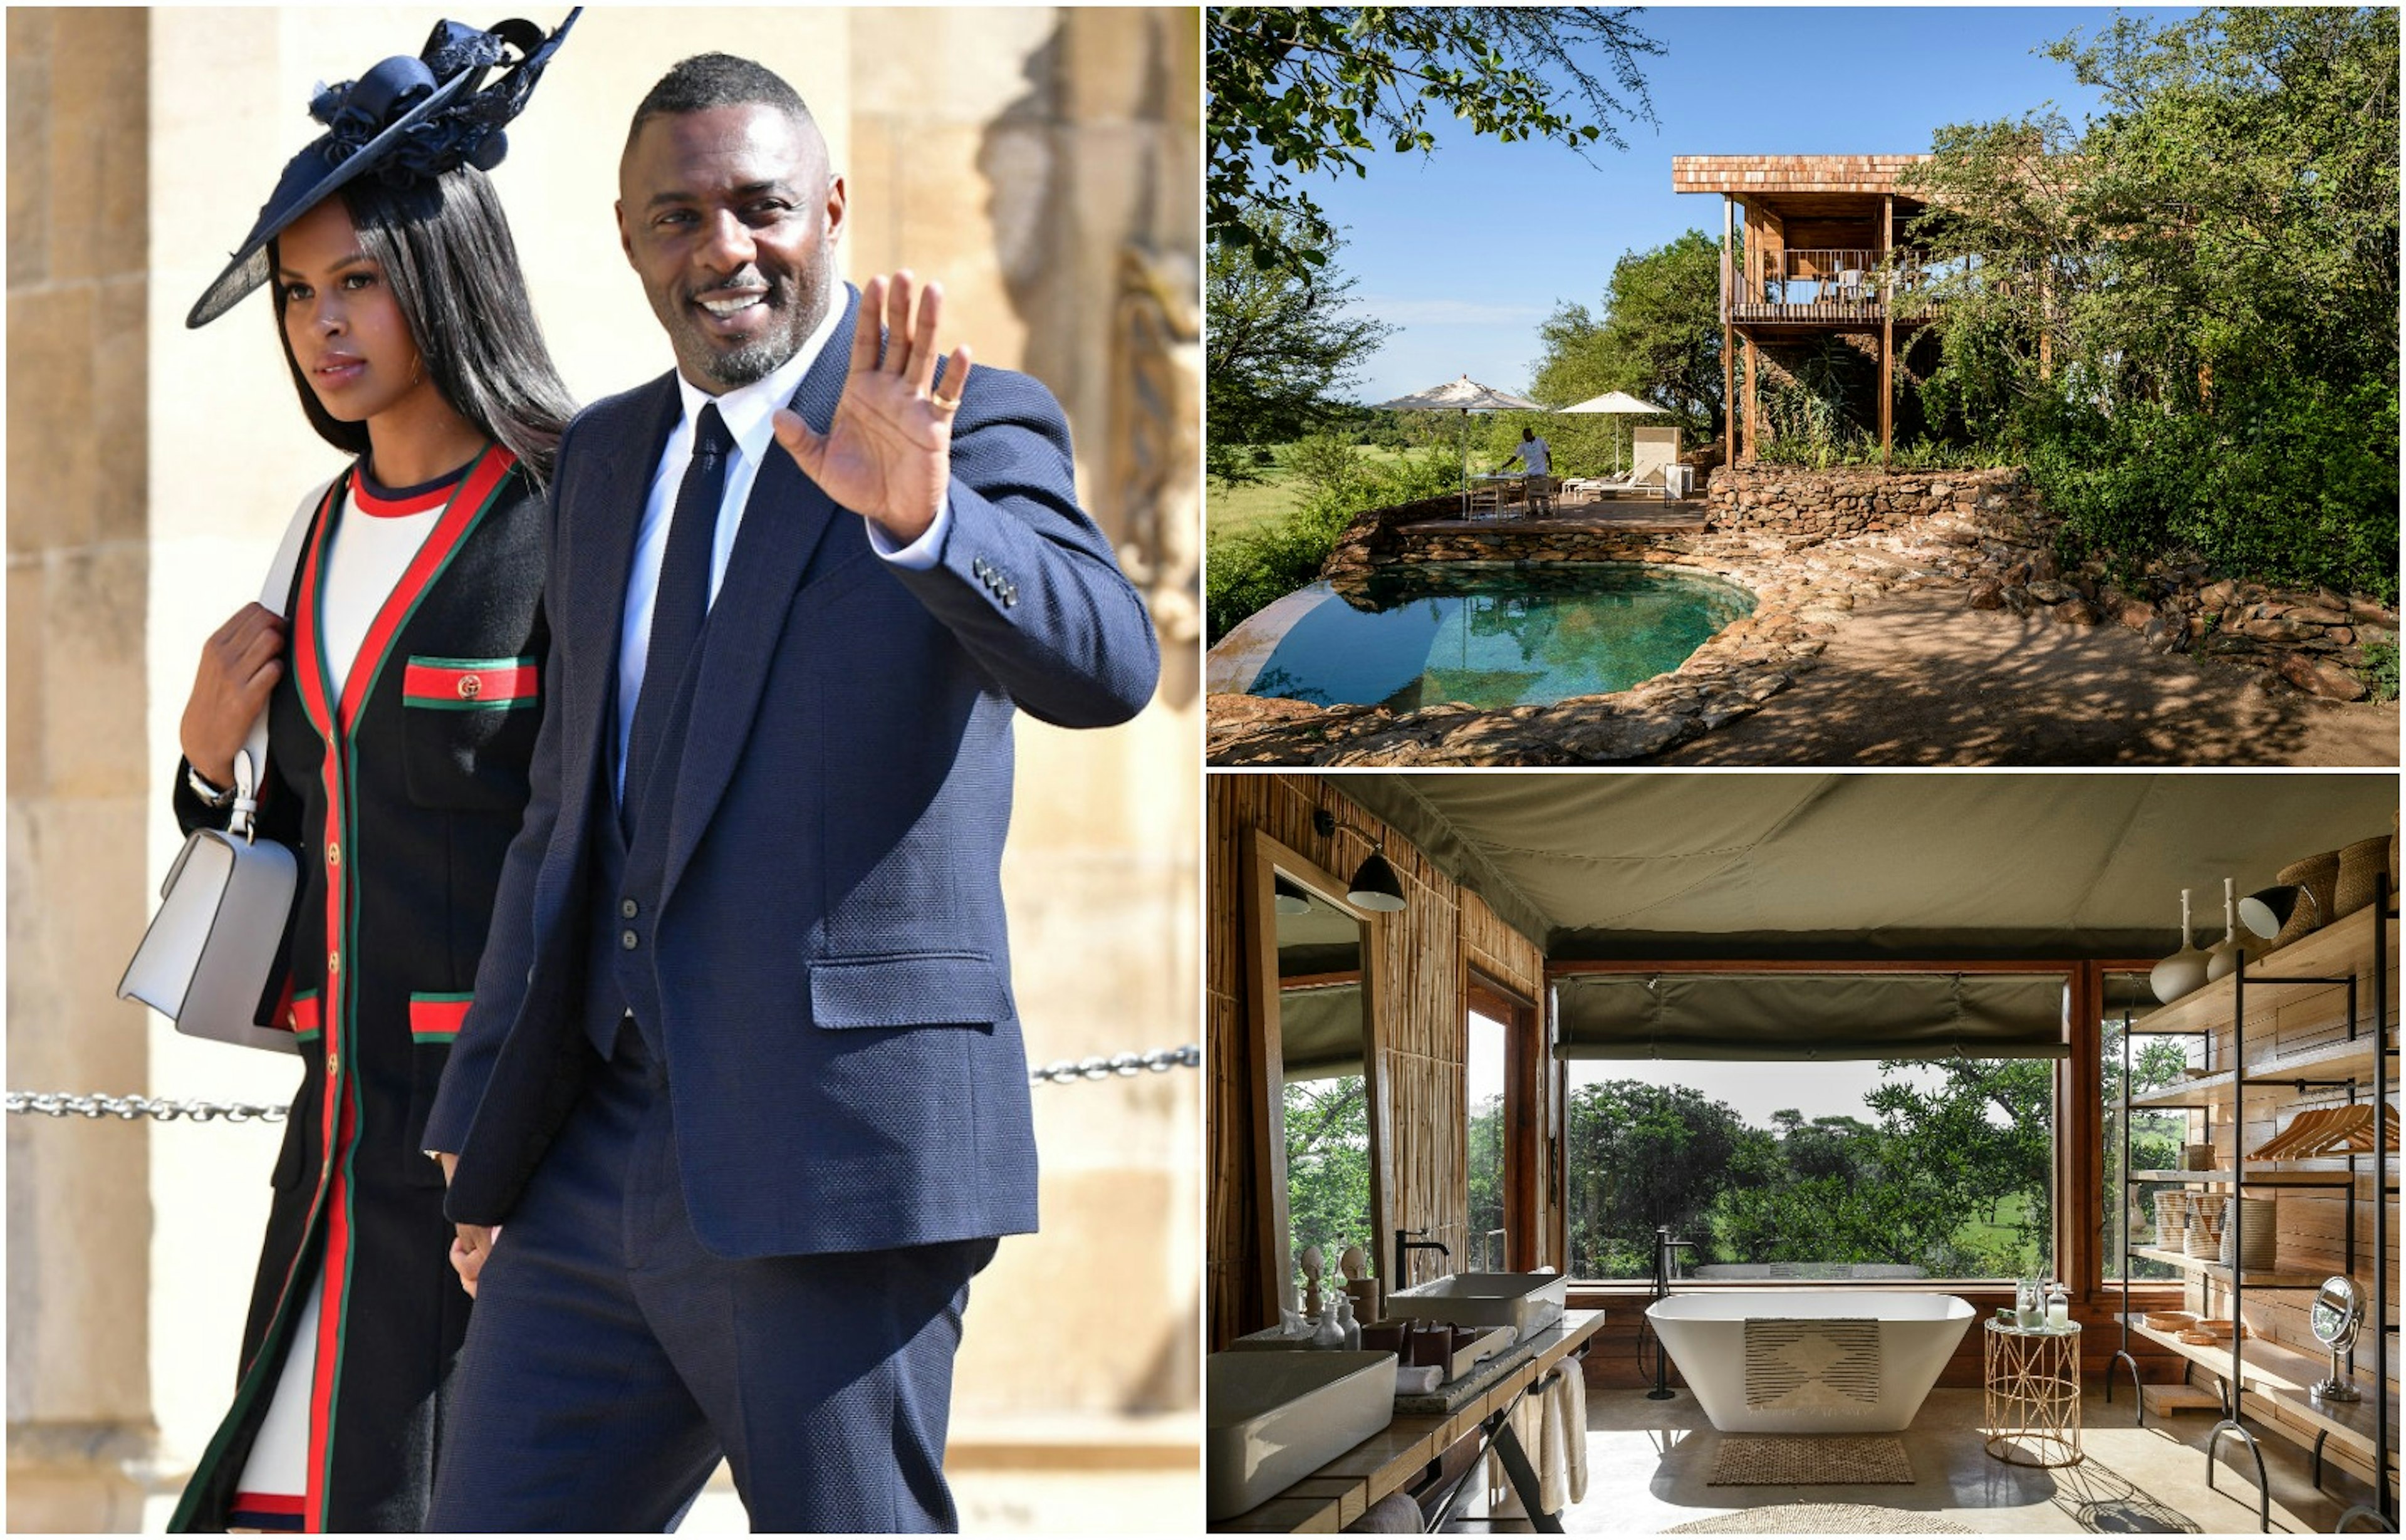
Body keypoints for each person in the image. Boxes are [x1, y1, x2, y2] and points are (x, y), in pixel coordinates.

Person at [419, 53, 1160, 1532]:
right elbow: (564, 812)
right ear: (629, 236)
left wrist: (931, 521)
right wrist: (487, 1117)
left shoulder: (962, 414)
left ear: (827, 210)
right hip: (591, 1163)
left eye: (761, 208)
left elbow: (1109, 664)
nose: (726, 250)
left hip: (837, 1167)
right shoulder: (606, 458)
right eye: (678, 217)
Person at [163, 14, 579, 1534]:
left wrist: (534, 1145)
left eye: (357, 281)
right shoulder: (311, 535)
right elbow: (279, 841)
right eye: (295, 295)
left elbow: (607, 847)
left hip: (508, 1187)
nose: (322, 326)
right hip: (328, 1164)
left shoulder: (572, 508)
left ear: (444, 273)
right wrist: (205, 767)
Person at [1499, 425, 1553, 514]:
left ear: (1531, 434)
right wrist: (1507, 464)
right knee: (1531, 493)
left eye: (1526, 435)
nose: (1525, 437)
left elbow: (1547, 452)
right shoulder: (1523, 445)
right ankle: (1533, 509)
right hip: (1530, 471)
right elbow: (1516, 456)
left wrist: (1551, 464)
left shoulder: (1540, 441)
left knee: (1543, 491)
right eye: (1524, 436)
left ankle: (1546, 509)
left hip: (1541, 470)